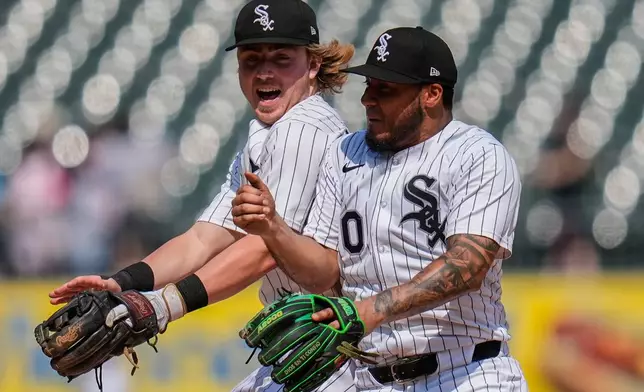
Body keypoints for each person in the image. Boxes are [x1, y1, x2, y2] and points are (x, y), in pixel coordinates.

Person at [47, 0, 356, 390]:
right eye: (252, 58)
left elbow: (267, 248)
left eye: (282, 58)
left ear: (312, 65)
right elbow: (203, 237)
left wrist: (165, 305)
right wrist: (124, 282)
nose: (264, 71)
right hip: (308, 344)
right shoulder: (266, 133)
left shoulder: (304, 128)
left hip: (340, 346)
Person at [231, 26, 528, 391]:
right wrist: (272, 226)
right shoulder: (345, 153)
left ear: (432, 94)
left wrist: (368, 311)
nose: (368, 99)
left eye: (385, 89)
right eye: (369, 85)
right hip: (370, 378)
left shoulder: (477, 154)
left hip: (465, 370)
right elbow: (324, 272)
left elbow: (468, 268)